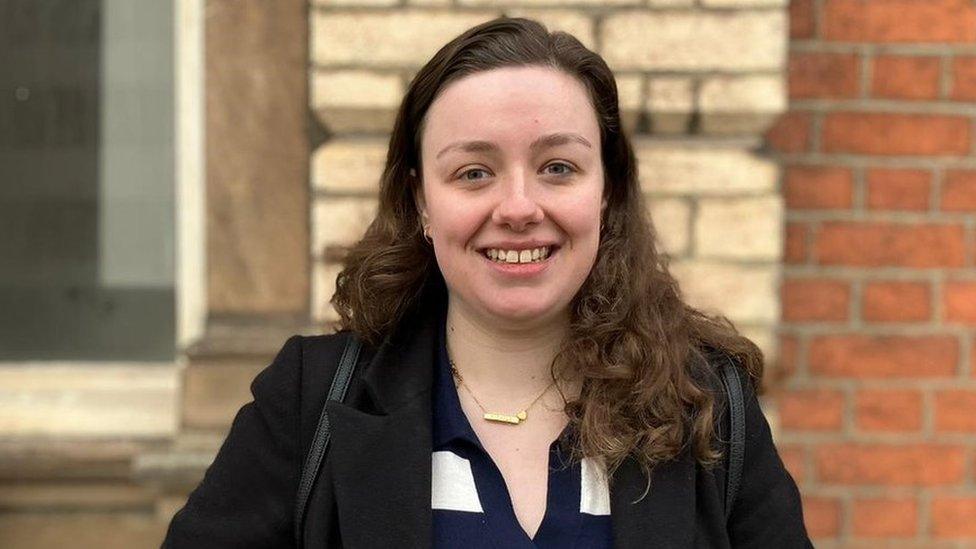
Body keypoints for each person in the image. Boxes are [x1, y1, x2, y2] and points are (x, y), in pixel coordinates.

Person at [163, 16, 811, 548]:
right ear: (420, 200)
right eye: (474, 172)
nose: (519, 205)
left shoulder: (709, 407)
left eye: (558, 166)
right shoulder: (308, 401)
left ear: (607, 191)